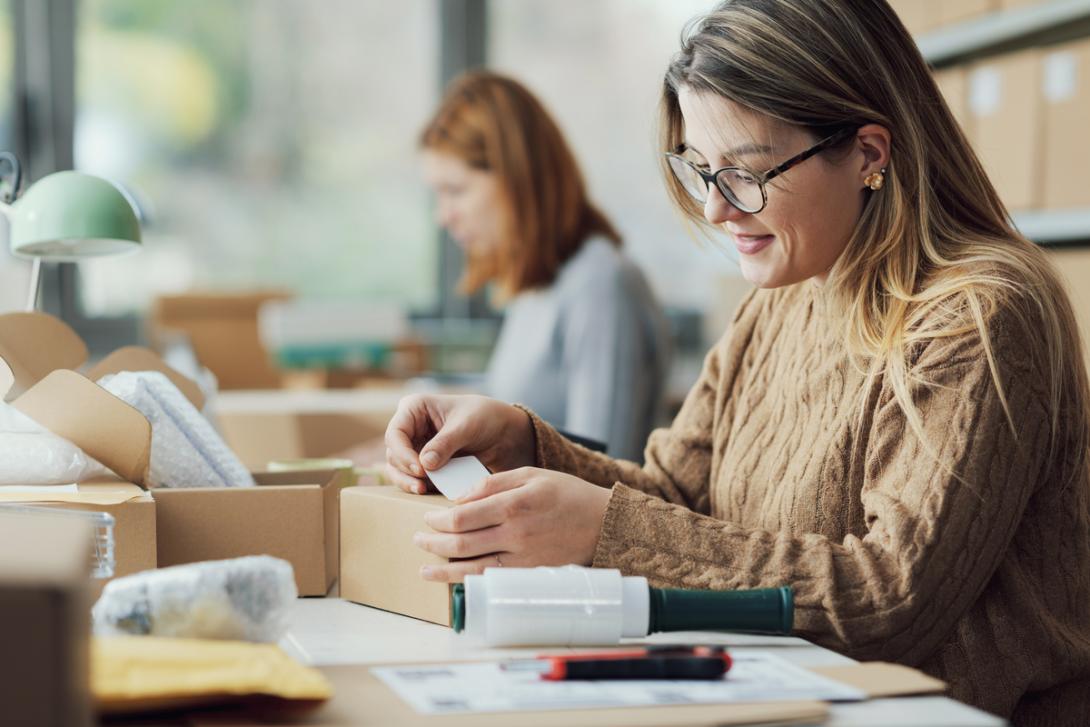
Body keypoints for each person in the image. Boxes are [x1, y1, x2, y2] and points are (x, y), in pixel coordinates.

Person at [386, 2, 1090, 723]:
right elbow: (679, 495)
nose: (719, 212)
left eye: (745, 175)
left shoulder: (980, 314)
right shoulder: (784, 295)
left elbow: (890, 598)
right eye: (700, 171)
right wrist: (525, 443)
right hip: (798, 697)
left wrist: (604, 531)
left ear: (870, 156)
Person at [419, 70, 671, 462]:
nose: (444, 216)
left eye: (455, 190)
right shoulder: (536, 287)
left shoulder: (600, 283)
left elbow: (604, 467)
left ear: (517, 179)